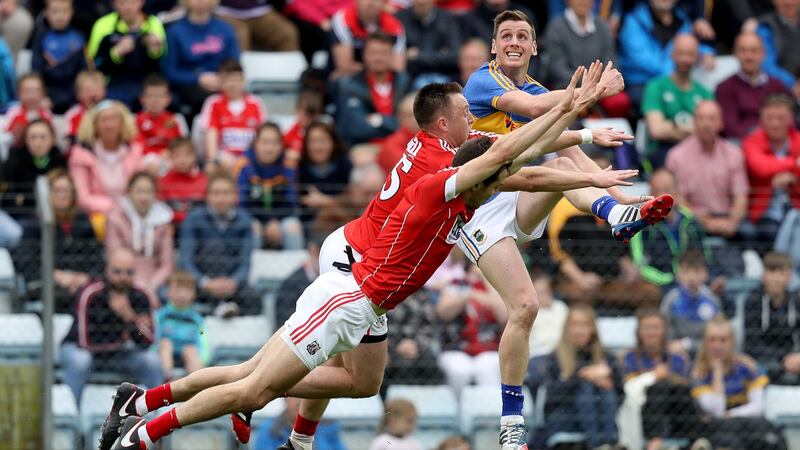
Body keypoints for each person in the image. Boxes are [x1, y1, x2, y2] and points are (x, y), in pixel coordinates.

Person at [101, 63, 607, 450]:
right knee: (252, 387)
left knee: (353, 383)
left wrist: (591, 173)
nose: (474, 123)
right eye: (467, 117)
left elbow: (522, 168)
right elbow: (502, 157)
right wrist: (569, 108)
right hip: (348, 287)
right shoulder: (441, 182)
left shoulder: (459, 183)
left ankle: (146, 404)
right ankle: (143, 435)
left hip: (359, 291)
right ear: (443, 123)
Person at [60, 247, 162, 407]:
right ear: (106, 270)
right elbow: (84, 342)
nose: (123, 277)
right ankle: (72, 417)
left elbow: (148, 341)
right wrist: (122, 340)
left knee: (152, 361)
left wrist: (129, 318)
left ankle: (157, 420)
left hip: (118, 353)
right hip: (79, 349)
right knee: (80, 361)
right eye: (117, 272)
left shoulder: (140, 296)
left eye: (129, 273)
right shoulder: (91, 294)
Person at [13, 169, 102, 313]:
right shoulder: (34, 223)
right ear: (47, 194)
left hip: (80, 283)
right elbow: (25, 261)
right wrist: (55, 274)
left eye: (67, 190)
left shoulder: (82, 220)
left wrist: (83, 277)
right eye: (57, 190)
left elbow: (96, 256)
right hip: (48, 285)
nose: (63, 195)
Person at [691, 316, 786, 450]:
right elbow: (717, 411)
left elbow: (757, 407)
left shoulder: (746, 367)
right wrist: (717, 372)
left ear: (732, 342)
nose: (717, 345)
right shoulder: (699, 373)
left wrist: (731, 414)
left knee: (770, 435)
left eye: (723, 340)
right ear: (705, 343)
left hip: (747, 425)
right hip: (716, 430)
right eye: (712, 340)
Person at [178, 171, 260, 317]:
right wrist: (205, 282)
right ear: (208, 196)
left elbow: (245, 262)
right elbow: (186, 260)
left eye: (226, 193)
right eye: (216, 193)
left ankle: (225, 315)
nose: (221, 198)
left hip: (232, 287)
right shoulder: (193, 220)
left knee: (253, 297)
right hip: (202, 285)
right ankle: (216, 314)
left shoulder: (245, 221)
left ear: (235, 196)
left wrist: (233, 282)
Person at [540, 305, 623, 449]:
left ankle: (608, 443)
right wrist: (583, 375)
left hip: (601, 415)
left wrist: (607, 379)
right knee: (586, 388)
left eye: (585, 325)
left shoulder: (607, 357)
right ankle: (602, 444)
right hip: (566, 415)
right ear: (567, 329)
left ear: (593, 329)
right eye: (574, 325)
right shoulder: (555, 357)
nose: (579, 330)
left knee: (605, 389)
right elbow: (553, 397)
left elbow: (621, 394)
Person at [665, 100, 749, 240]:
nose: (706, 124)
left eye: (711, 119)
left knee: (752, 232)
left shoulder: (734, 153)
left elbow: (741, 196)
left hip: (727, 218)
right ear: (694, 122)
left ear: (721, 123)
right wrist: (705, 222)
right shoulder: (676, 156)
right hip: (692, 219)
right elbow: (677, 199)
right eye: (701, 118)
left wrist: (732, 222)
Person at [621, 309, 698, 450]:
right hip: (641, 414)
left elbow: (685, 387)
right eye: (647, 328)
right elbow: (630, 389)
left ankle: (694, 441)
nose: (651, 333)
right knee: (659, 388)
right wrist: (655, 375)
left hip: (674, 414)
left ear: (664, 331)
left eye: (656, 328)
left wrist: (667, 377)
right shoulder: (629, 357)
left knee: (679, 390)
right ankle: (654, 440)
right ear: (639, 332)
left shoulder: (678, 357)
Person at [618, 0, 715, 108]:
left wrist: (705, 52)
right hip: (642, 82)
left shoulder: (682, 19)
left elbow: (688, 43)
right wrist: (673, 71)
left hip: (674, 80)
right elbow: (640, 58)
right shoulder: (633, 20)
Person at [542, 0, 630, 117]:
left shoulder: (603, 26)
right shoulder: (555, 28)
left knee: (620, 102)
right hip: (569, 88)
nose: (583, 2)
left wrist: (599, 86)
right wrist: (587, 87)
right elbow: (557, 69)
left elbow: (611, 62)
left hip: (600, 87)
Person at [68, 100, 144, 233]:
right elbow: (82, 196)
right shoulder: (81, 154)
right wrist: (113, 208)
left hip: (132, 212)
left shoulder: (135, 151)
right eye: (103, 120)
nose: (109, 125)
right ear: (95, 125)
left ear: (122, 124)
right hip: (97, 216)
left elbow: (141, 187)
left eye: (114, 119)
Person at [641, 33, 714, 169]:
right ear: (672, 54)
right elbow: (656, 130)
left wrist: (672, 127)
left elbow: (711, 131)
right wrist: (694, 130)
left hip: (698, 150)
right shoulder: (656, 87)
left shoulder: (705, 93)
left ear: (697, 57)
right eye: (680, 53)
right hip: (664, 150)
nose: (685, 59)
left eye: (690, 54)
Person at [630, 168, 710, 288]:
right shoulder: (640, 224)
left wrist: (696, 277)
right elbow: (639, 265)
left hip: (692, 283)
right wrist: (671, 280)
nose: (661, 196)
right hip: (659, 284)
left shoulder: (690, 220)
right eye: (656, 191)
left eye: (667, 190)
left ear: (677, 193)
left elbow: (704, 254)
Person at [162, 0, 239, 120]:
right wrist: (198, 78)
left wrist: (221, 79)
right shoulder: (175, 32)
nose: (201, 1)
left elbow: (234, 64)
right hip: (189, 86)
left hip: (221, 83)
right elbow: (170, 71)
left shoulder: (225, 29)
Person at [333, 32, 413, 147]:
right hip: (366, 146)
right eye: (373, 53)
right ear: (364, 55)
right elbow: (355, 128)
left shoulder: (404, 82)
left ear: (391, 55)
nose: (378, 58)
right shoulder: (348, 85)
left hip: (403, 145)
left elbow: (414, 123)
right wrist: (396, 123)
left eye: (383, 53)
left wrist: (380, 120)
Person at [437, 264, 506, 397]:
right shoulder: (456, 284)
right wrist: (468, 296)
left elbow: (503, 316)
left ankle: (490, 413)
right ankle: (459, 410)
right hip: (456, 348)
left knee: (486, 369)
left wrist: (486, 280)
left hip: (488, 348)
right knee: (460, 370)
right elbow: (443, 312)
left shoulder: (494, 288)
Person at [233, 122, 303, 250]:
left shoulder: (289, 165)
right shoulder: (243, 165)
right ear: (255, 144)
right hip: (253, 218)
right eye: (265, 142)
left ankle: (296, 269)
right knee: (252, 228)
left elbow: (291, 203)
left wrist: (274, 221)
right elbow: (242, 203)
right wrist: (267, 222)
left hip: (280, 219)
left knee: (293, 227)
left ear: (282, 146)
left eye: (275, 143)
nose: (269, 148)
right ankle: (250, 269)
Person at [742, 94, 800, 248]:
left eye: (781, 118)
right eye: (769, 118)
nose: (775, 123)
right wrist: (795, 164)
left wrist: (792, 178)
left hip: (796, 209)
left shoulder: (798, 140)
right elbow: (759, 167)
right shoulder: (752, 140)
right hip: (764, 213)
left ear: (791, 119)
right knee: (772, 234)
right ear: (761, 119)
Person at [105, 171, 174, 295]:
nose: (143, 197)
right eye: (139, 191)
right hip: (124, 279)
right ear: (130, 192)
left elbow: (166, 264)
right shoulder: (116, 218)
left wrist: (151, 286)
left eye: (148, 191)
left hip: (155, 284)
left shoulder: (164, 222)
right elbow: (115, 256)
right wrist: (136, 284)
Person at [87, 0, 166, 107]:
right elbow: (94, 64)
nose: (127, 7)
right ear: (114, 4)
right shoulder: (102, 24)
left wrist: (154, 51)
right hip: (112, 84)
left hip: (144, 83)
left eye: (132, 2)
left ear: (141, 2)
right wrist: (116, 53)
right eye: (122, 3)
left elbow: (162, 63)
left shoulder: (153, 23)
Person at [715, 32, 791, 140]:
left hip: (776, 143)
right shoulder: (724, 88)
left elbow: (789, 121)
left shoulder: (778, 86)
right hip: (741, 144)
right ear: (735, 54)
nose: (749, 56)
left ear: (763, 54)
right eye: (743, 51)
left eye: (754, 51)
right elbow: (730, 127)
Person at [743, 251, 800, 384]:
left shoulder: (796, 302)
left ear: (789, 276)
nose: (776, 278)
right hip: (762, 360)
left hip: (793, 359)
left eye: (781, 272)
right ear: (763, 275)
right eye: (771, 271)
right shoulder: (753, 301)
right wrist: (782, 360)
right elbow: (751, 344)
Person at [200, 59, 267, 170]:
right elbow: (211, 134)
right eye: (227, 80)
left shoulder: (256, 103)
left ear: (243, 80)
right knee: (212, 167)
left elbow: (263, 132)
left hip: (251, 159)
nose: (231, 84)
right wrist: (213, 159)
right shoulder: (213, 102)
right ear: (220, 81)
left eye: (235, 79)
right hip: (224, 159)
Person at [30, 0, 87, 113]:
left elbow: (83, 71)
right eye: (55, 11)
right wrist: (42, 97)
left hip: (74, 97)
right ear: (46, 13)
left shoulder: (79, 38)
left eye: (64, 11)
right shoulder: (41, 38)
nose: (60, 16)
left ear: (71, 12)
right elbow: (36, 71)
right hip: (48, 97)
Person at [1, 120, 66, 218]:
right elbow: (11, 196)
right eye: (32, 137)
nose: (37, 142)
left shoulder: (59, 159)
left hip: (56, 214)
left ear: (53, 140)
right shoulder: (15, 159)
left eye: (43, 137)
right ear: (25, 140)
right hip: (22, 216)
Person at [661, 250, 721, 353]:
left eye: (697, 271)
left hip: (706, 350)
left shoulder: (712, 299)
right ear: (678, 274)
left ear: (706, 274)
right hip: (676, 350)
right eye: (686, 271)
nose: (692, 277)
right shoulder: (671, 299)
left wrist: (688, 344)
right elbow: (666, 329)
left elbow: (717, 333)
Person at [328, 0, 406, 79]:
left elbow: (398, 68)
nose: (371, 3)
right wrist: (378, 69)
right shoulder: (343, 19)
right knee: (339, 78)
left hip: (383, 78)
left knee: (402, 80)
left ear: (384, 2)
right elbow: (344, 66)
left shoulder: (394, 26)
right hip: (353, 76)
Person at [297, 121, 352, 229]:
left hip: (342, 226)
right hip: (309, 227)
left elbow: (349, 206)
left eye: (323, 141)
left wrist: (325, 201)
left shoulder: (345, 166)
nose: (318, 147)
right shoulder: (299, 168)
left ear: (333, 142)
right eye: (313, 141)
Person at [310, 162, 386, 239]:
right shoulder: (333, 210)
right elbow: (317, 241)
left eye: (376, 194)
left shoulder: (386, 209)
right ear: (353, 189)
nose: (371, 199)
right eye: (367, 193)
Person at [396, 0, 462, 86]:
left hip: (444, 76)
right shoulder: (400, 19)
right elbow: (397, 58)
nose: (422, 2)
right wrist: (440, 54)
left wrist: (418, 56)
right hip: (411, 77)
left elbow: (454, 57)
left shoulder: (448, 19)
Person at [155, 271, 207, 381]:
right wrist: (153, 351)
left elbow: (203, 337)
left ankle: (197, 382)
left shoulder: (197, 320)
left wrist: (203, 357)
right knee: (165, 343)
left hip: (187, 351)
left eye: (187, 290)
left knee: (191, 350)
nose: (182, 294)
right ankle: (167, 379)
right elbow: (155, 334)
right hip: (165, 352)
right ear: (168, 292)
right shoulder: (160, 316)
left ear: (194, 294)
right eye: (178, 290)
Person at [253, 397, 347, 450]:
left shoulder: (329, 427)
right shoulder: (270, 429)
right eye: (296, 393)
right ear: (284, 397)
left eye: (307, 394)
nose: (300, 400)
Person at [135, 75, 187, 168]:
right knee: (151, 163)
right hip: (146, 160)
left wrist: (170, 153)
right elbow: (137, 147)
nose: (155, 100)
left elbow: (181, 144)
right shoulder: (136, 120)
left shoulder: (175, 120)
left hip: (171, 159)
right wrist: (157, 154)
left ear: (168, 99)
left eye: (160, 96)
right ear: (142, 99)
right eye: (151, 96)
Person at [752, 0, 800, 96]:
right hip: (777, 91)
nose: (788, 2)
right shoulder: (765, 26)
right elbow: (765, 63)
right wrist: (793, 83)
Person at [158, 138, 207, 227]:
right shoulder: (162, 183)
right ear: (170, 157)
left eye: (187, 155)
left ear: (194, 156)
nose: (182, 160)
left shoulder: (204, 181)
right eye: (177, 155)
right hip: (172, 228)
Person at [215, 0, 299, 52]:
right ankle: (239, 77)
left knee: (287, 33)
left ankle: (287, 77)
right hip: (224, 11)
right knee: (240, 34)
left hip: (259, 11)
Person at [4, 73, 53, 146]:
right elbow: (6, 136)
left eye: (35, 91)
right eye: (27, 91)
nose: (31, 95)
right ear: (18, 93)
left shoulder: (47, 114)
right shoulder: (13, 113)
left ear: (43, 93)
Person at [527, 273, 568, 358]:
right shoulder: (528, 312)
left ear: (551, 291)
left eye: (544, 291)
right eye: (538, 292)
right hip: (536, 352)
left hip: (560, 351)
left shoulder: (560, 307)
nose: (541, 296)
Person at [377, 93, 418, 174]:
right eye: (410, 115)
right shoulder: (393, 144)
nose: (415, 119)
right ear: (400, 118)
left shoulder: (438, 137)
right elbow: (410, 171)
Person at [64, 70, 106, 142]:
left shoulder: (114, 112)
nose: (93, 95)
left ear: (104, 91)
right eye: (87, 90)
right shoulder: (72, 115)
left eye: (96, 90)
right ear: (78, 94)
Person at [283, 90, 324, 162]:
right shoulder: (289, 129)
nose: (309, 119)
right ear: (297, 110)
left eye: (312, 115)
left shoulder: (325, 130)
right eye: (305, 113)